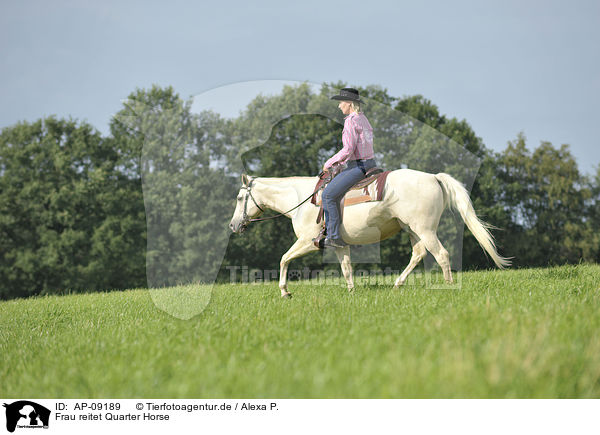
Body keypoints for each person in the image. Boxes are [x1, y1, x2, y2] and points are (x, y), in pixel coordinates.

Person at [319, 88, 376, 249]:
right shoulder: (364, 119)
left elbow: (348, 149)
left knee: (329, 195)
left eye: (340, 102)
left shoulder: (350, 121)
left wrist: (329, 163)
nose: (339, 106)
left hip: (358, 166)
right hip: (371, 163)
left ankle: (333, 236)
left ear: (349, 103)